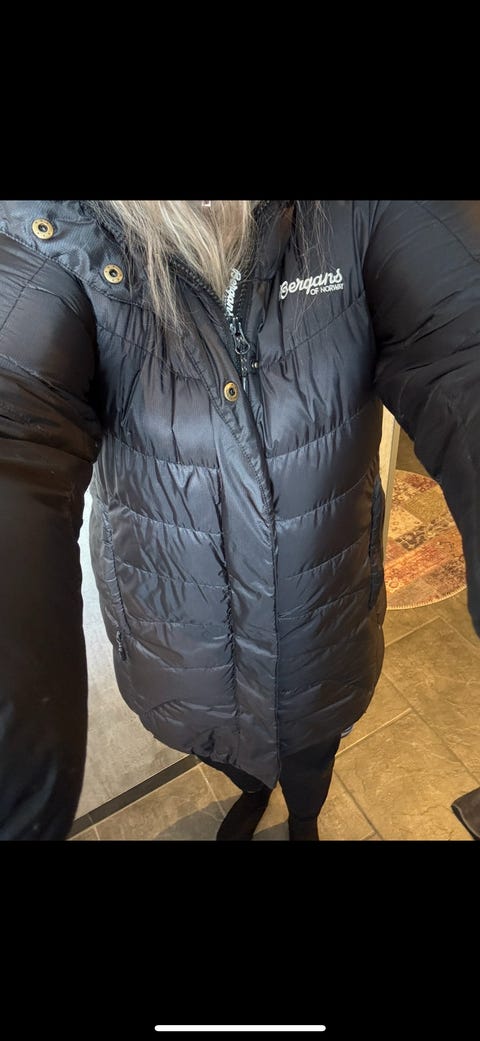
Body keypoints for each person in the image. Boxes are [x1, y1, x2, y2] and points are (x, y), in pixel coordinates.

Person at [0, 199, 479, 842]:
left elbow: (461, 338)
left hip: (324, 634)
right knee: (228, 755)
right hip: (185, 652)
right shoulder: (50, 227)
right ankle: (253, 790)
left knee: (312, 761)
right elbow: (14, 422)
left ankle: (304, 819)